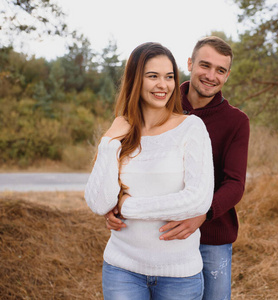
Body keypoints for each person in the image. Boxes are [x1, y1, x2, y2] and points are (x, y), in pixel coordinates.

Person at [106, 36, 250, 300]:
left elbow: (235, 183)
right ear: (190, 63)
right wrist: (113, 202)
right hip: (156, 233)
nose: (211, 75)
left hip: (212, 233)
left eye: (220, 70)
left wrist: (201, 214)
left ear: (228, 75)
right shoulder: (159, 103)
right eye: (204, 66)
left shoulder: (236, 121)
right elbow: (129, 164)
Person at [85, 42, 214, 300]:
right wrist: (109, 143)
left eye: (169, 77)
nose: (163, 85)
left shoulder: (191, 128)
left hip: (179, 274)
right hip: (122, 269)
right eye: (152, 76)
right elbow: (99, 203)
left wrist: (127, 207)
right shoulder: (120, 132)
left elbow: (198, 199)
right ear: (135, 80)